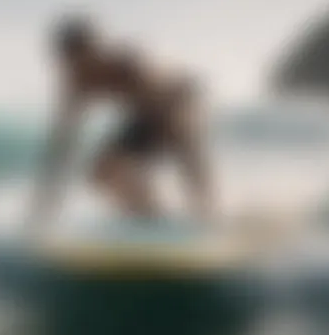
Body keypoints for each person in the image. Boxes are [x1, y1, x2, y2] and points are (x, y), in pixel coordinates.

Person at [27, 12, 215, 229]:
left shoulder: (128, 64)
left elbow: (181, 135)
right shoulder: (76, 84)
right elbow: (62, 146)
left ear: (94, 49)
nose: (80, 68)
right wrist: (43, 205)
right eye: (71, 62)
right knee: (102, 173)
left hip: (180, 99)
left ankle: (206, 210)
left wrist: (200, 193)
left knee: (182, 139)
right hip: (146, 114)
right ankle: (154, 218)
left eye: (86, 58)